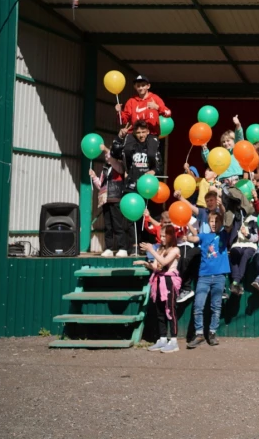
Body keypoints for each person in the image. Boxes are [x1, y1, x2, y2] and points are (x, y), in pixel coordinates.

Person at [108, 120, 162, 256]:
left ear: (148, 132)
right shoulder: (130, 144)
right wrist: (120, 137)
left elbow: (159, 165)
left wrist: (154, 172)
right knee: (131, 219)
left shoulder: (153, 146)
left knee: (148, 217)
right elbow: (114, 153)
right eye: (138, 132)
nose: (141, 135)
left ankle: (149, 246)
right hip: (132, 185)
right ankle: (134, 247)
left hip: (148, 188)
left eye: (144, 132)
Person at [187, 210, 229, 349]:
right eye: (211, 221)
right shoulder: (204, 236)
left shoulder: (224, 234)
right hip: (204, 276)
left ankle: (212, 333)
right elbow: (194, 238)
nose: (214, 224)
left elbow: (229, 221)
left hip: (219, 276)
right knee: (198, 306)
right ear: (207, 222)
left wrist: (222, 206)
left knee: (215, 306)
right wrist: (186, 227)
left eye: (216, 221)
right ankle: (199, 334)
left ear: (221, 223)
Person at [141, 226, 181, 353]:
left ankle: (174, 341)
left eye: (165, 236)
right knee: (160, 311)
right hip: (158, 280)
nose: (162, 238)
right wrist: (145, 264)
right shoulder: (160, 249)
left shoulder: (175, 249)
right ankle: (162, 338)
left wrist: (151, 250)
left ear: (171, 236)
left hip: (169, 281)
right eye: (161, 236)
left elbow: (163, 262)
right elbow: (157, 267)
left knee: (170, 310)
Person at [201, 116, 244, 182]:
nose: (226, 143)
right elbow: (209, 160)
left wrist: (238, 125)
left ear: (234, 140)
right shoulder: (221, 154)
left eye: (228, 140)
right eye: (223, 142)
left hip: (236, 178)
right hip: (223, 180)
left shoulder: (237, 150)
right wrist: (204, 148)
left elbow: (239, 137)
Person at [228, 217, 258, 295]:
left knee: (246, 254)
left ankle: (236, 281)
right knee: (233, 252)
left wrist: (247, 234)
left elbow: (256, 237)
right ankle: (236, 284)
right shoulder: (237, 217)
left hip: (250, 245)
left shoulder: (254, 220)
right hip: (237, 244)